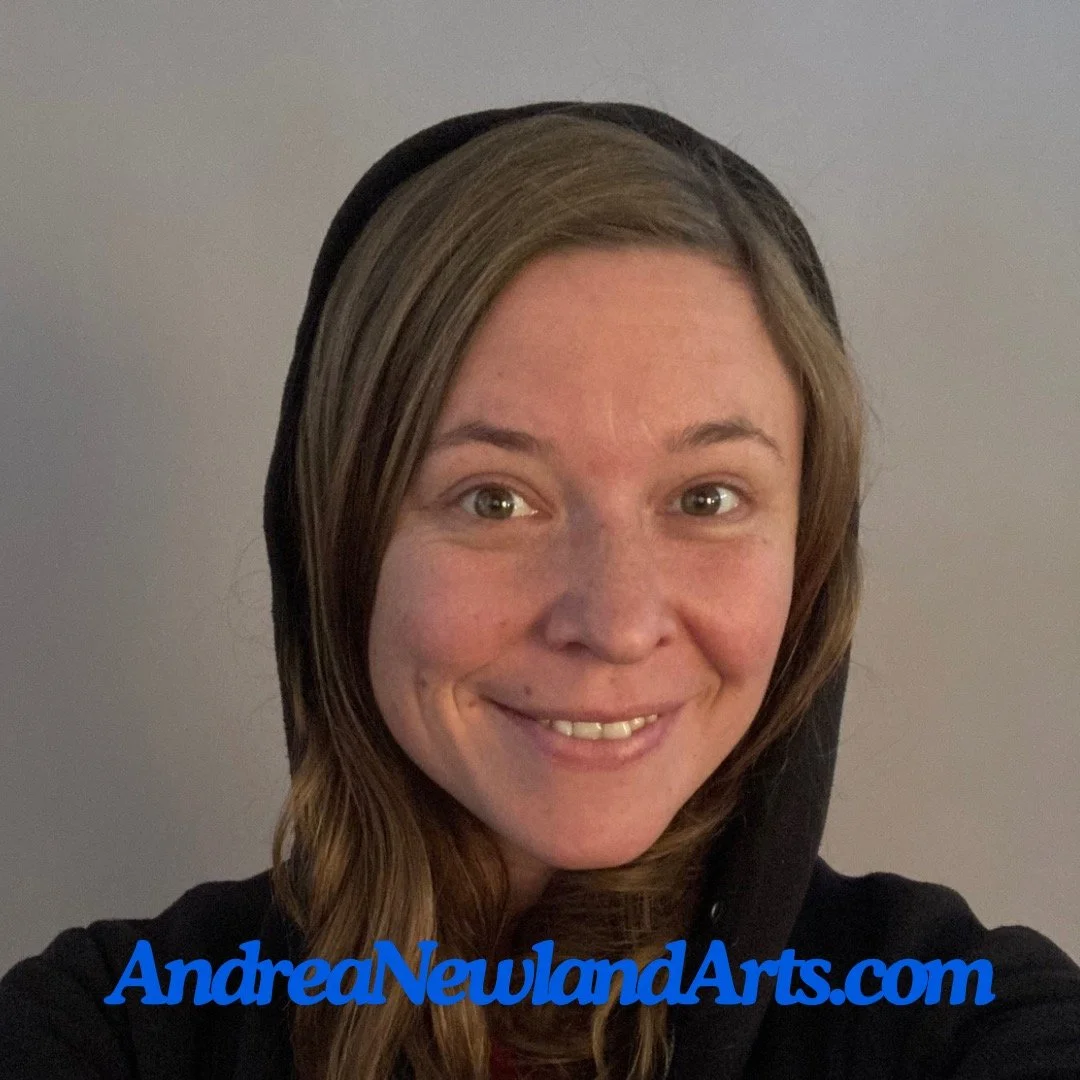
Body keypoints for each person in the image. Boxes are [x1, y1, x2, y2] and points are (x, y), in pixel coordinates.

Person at [1, 100, 1077, 1080]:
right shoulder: (114, 1029)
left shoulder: (961, 1024)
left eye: (706, 498)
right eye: (495, 500)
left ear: (813, 550)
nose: (615, 623)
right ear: (344, 541)